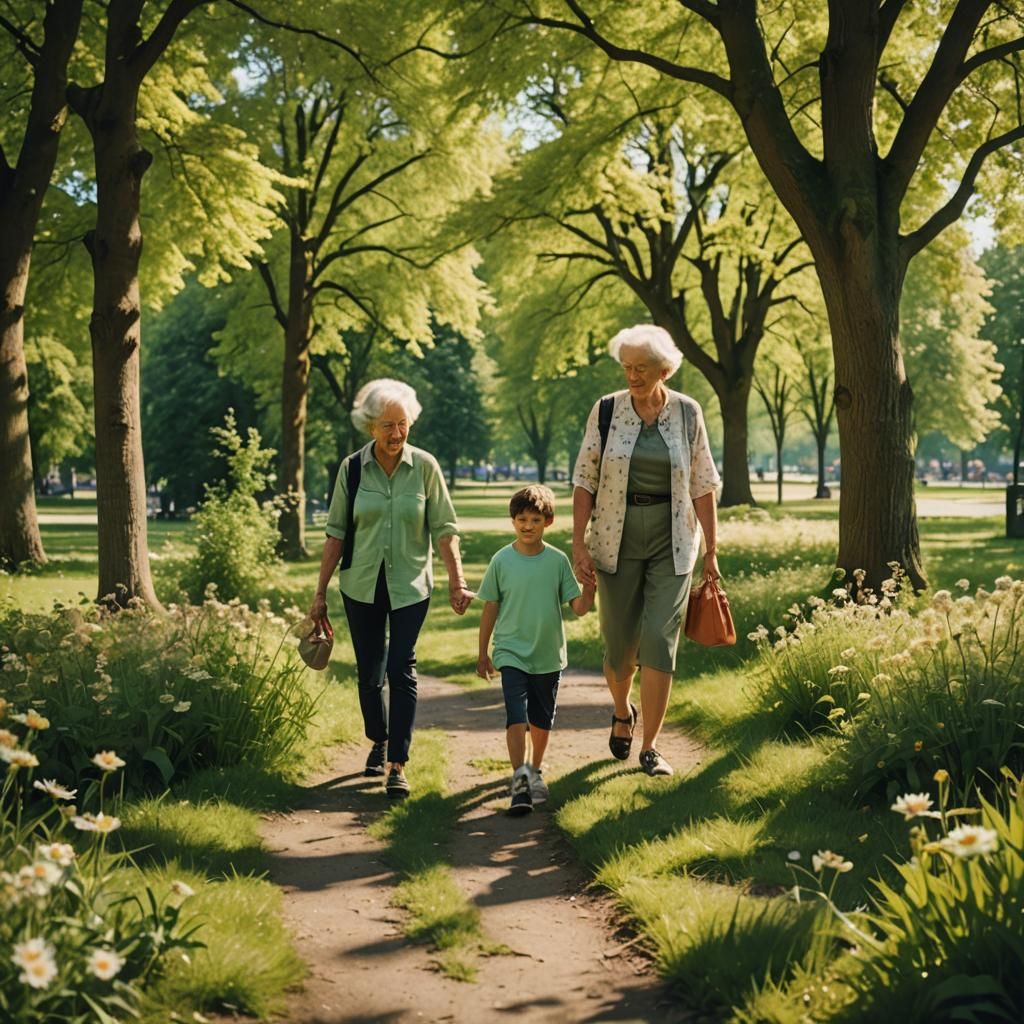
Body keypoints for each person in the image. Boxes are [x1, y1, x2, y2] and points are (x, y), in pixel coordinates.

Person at [309, 378, 474, 799]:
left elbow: (445, 529)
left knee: (401, 668)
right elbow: (334, 535)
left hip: (410, 585)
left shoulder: (425, 467)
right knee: (370, 675)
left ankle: (397, 762)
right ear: (370, 427)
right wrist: (319, 592)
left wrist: (457, 579)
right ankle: (378, 739)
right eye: (387, 426)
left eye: (403, 425)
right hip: (361, 583)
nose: (397, 434)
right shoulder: (351, 469)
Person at [571, 325, 722, 777]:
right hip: (615, 538)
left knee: (659, 640)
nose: (632, 375)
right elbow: (585, 478)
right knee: (619, 646)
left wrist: (712, 549)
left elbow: (703, 483)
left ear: (664, 369)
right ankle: (622, 710)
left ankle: (651, 747)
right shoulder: (605, 412)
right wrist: (579, 541)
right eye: (627, 367)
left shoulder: (688, 414)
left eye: (641, 368)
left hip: (673, 539)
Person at [476, 485, 595, 815]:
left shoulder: (557, 561)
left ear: (549, 521)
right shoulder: (501, 560)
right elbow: (490, 607)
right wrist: (483, 652)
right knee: (516, 714)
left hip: (547, 654)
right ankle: (519, 780)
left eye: (535, 520)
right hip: (510, 651)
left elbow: (579, 608)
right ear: (513, 521)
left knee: (541, 720)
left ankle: (535, 770)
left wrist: (590, 588)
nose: (528, 526)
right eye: (521, 519)